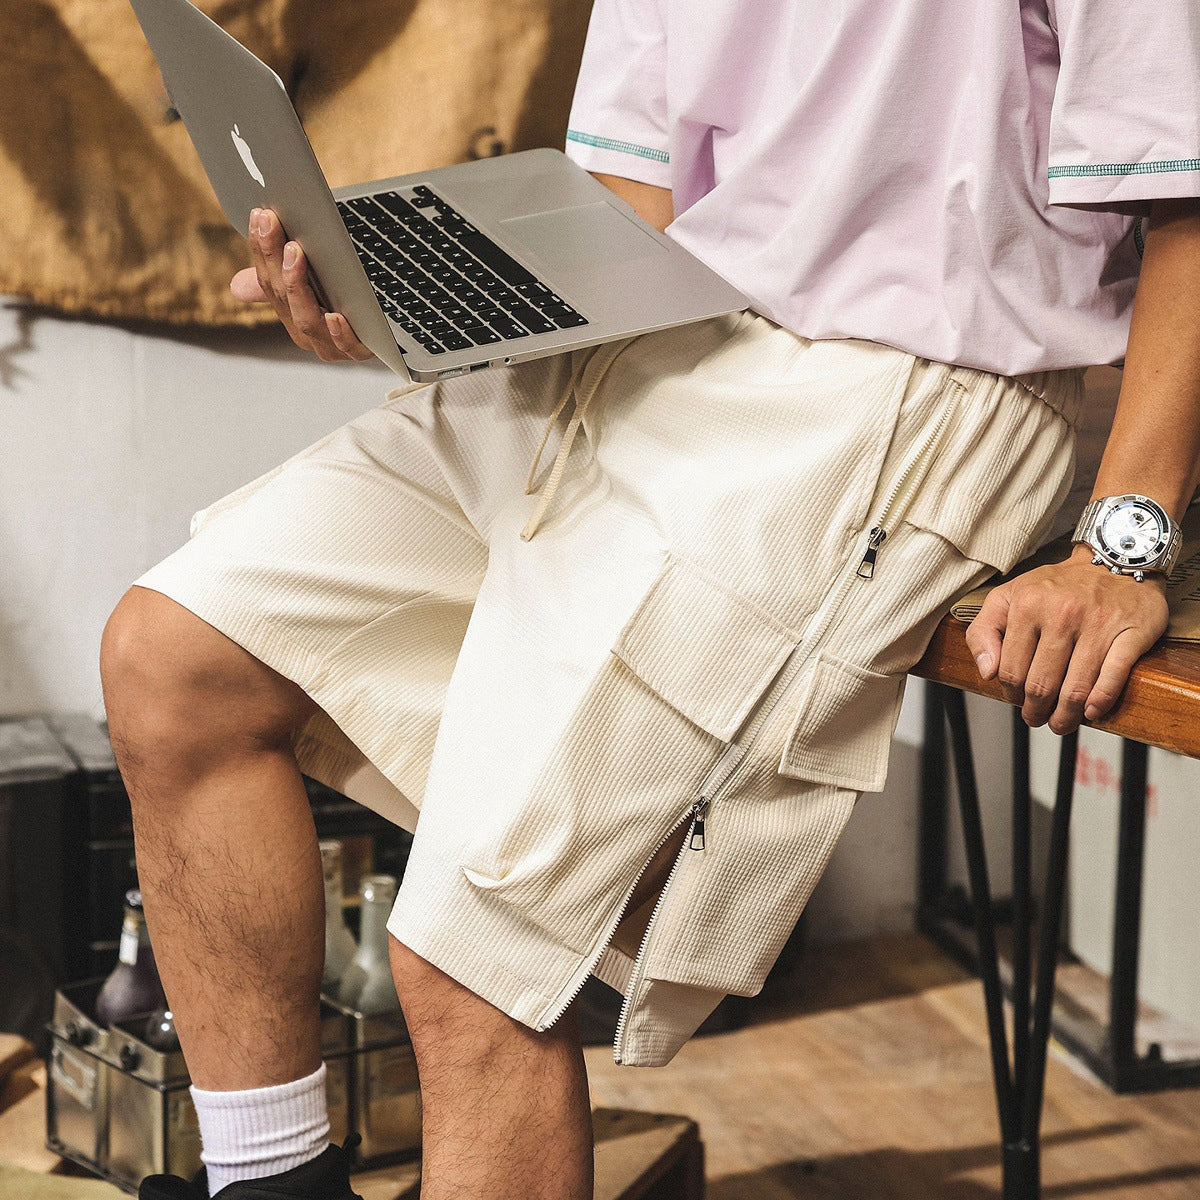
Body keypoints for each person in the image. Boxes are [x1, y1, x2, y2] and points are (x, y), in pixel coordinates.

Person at [100, 2, 1200, 1198]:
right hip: (662, 334)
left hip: (908, 381)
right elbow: (636, 203)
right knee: (176, 658)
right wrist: (406, 299)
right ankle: (268, 1185)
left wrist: (1123, 547)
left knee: (476, 954)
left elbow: (1186, 190)